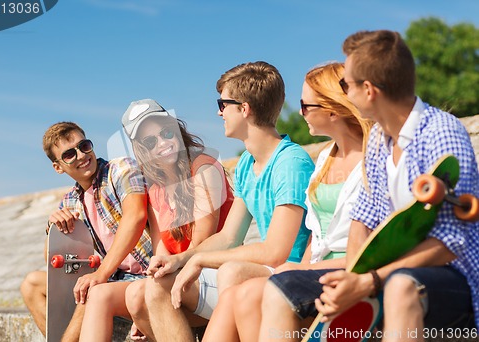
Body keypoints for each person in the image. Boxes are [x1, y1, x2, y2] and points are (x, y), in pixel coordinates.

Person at [259, 30, 479, 342]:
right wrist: (352, 277)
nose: (343, 93)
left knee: (402, 286)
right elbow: (363, 218)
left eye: (346, 84)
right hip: (382, 274)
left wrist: (368, 282)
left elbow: (451, 243)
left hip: (456, 278)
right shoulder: (378, 139)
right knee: (281, 288)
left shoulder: (441, 132)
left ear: (369, 90)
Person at [124, 61, 315, 342]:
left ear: (244, 108)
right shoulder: (248, 163)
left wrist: (200, 259)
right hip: (266, 270)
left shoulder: (291, 162)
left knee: (233, 272)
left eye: (223, 104)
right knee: (155, 287)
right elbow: (229, 236)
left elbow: (276, 251)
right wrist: (180, 259)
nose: (219, 112)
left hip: (289, 273)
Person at [202, 62, 373, 342]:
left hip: (345, 270)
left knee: (242, 286)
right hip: (313, 266)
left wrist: (298, 268)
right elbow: (315, 237)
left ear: (331, 109)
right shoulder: (326, 159)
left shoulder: (365, 159)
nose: (300, 112)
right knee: (234, 292)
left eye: (306, 107)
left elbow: (357, 249)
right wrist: (187, 260)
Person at [79, 99, 234, 341]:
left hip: (212, 273)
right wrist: (144, 303)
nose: (163, 143)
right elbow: (159, 249)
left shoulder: (204, 168)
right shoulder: (154, 187)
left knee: (146, 292)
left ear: (177, 130)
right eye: (151, 141)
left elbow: (202, 244)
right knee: (117, 296)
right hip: (178, 278)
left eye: (167, 133)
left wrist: (150, 297)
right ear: (141, 148)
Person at [20, 122, 153, 342]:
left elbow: (136, 217)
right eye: (70, 154)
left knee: (90, 290)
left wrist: (100, 275)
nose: (81, 155)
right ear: (58, 167)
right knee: (31, 284)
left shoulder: (120, 169)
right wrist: (54, 227)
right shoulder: (71, 201)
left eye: (84, 146)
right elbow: (54, 265)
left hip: (145, 276)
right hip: (115, 279)